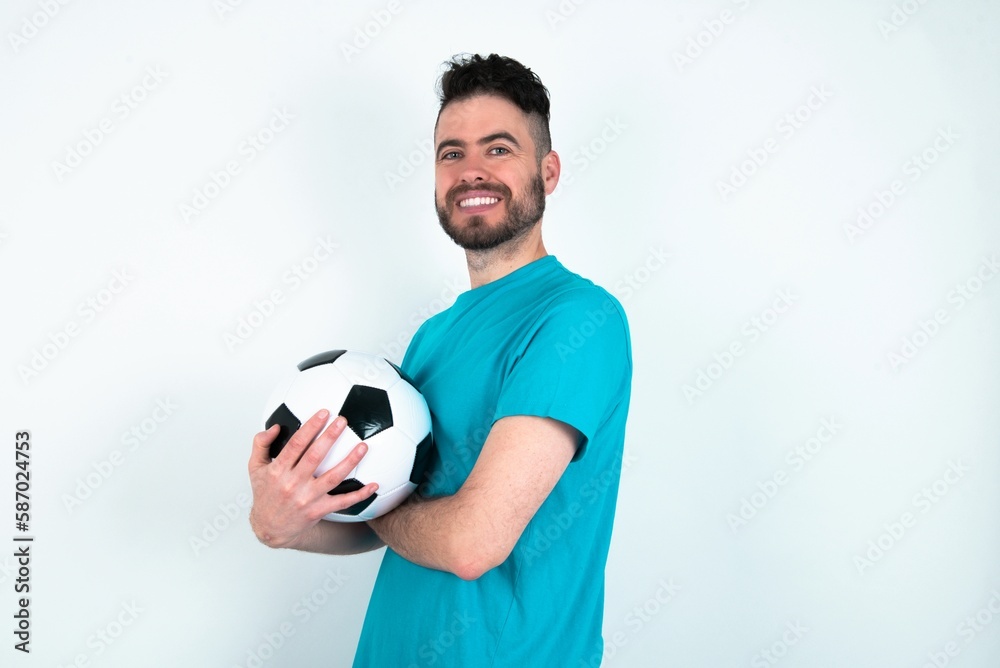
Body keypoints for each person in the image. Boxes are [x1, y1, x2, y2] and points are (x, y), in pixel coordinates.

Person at [248, 53, 632, 666]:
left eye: (499, 149)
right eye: (451, 153)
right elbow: (381, 509)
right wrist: (284, 522)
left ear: (549, 170)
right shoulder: (433, 336)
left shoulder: (579, 320)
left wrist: (383, 510)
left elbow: (469, 542)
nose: (471, 171)